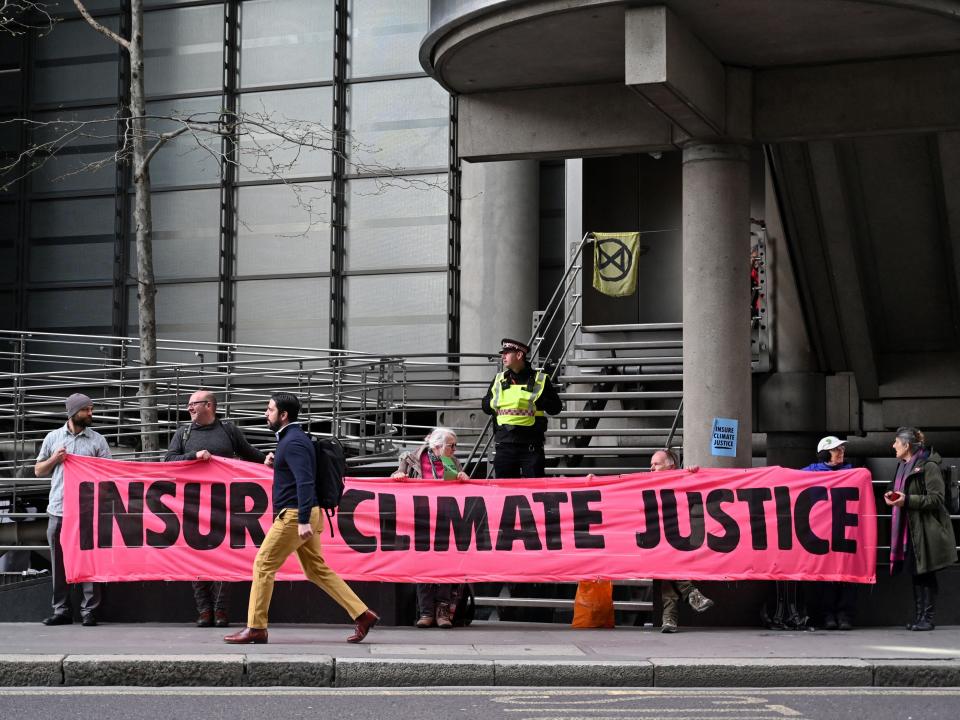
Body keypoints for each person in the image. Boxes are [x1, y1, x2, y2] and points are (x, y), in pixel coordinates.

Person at [224, 392, 378, 644]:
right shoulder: (293, 439)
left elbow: (305, 481)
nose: (266, 413)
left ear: (283, 415)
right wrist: (278, 465)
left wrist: (304, 518)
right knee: (316, 569)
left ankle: (256, 627)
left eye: (270, 409)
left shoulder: (293, 442)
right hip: (303, 512)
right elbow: (298, 475)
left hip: (296, 515)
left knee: (263, 565)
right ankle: (362, 614)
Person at [165, 389, 266, 628]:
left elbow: (250, 454)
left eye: (193, 403)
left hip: (225, 505)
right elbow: (168, 461)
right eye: (188, 404)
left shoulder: (229, 430)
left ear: (209, 405)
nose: (188, 408)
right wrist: (193, 456)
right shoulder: (183, 433)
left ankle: (220, 610)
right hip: (192, 505)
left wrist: (268, 461)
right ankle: (204, 610)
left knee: (224, 556)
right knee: (196, 556)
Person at [34, 393, 111, 626]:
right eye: (86, 410)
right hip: (58, 510)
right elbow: (39, 470)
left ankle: (89, 611)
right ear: (72, 412)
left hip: (86, 511)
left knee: (89, 560)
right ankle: (62, 611)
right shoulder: (53, 438)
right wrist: (55, 460)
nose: (91, 413)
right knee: (58, 562)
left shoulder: (98, 440)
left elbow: (107, 476)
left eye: (91, 409)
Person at [392, 427, 469, 629]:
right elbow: (397, 475)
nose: (454, 449)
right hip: (421, 519)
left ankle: (442, 611)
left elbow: (459, 487)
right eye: (451, 445)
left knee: (445, 564)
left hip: (445, 518)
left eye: (455, 445)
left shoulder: (452, 462)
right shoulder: (410, 458)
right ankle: (425, 611)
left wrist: (464, 479)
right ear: (436, 446)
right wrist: (399, 475)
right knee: (424, 564)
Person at [884, 427, 957, 632]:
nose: (893, 445)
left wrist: (907, 500)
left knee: (925, 574)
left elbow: (937, 499)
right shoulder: (903, 465)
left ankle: (927, 618)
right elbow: (895, 488)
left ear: (906, 445)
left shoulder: (929, 466)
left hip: (925, 531)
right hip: (910, 530)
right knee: (916, 574)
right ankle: (920, 617)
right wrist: (890, 495)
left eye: (896, 442)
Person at [649, 449, 715, 633]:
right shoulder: (644, 483)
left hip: (678, 539)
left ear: (671, 467)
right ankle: (690, 593)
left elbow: (702, 493)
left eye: (656, 464)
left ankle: (670, 616)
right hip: (655, 540)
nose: (651, 468)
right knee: (666, 561)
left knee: (666, 564)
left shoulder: (683, 481)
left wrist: (694, 475)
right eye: (651, 464)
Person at [481, 338, 562, 478]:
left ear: (519, 355)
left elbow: (555, 408)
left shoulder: (540, 380)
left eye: (507, 353)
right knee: (505, 492)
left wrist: (540, 401)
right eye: (503, 353)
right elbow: (486, 406)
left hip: (530, 447)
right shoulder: (498, 379)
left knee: (535, 493)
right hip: (504, 446)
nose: (503, 356)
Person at [801, 436, 856, 630]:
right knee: (825, 576)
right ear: (824, 453)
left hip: (845, 531)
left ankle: (844, 615)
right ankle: (828, 615)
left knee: (846, 575)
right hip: (820, 533)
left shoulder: (852, 473)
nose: (841, 452)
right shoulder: (808, 473)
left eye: (842, 449)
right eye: (836, 449)